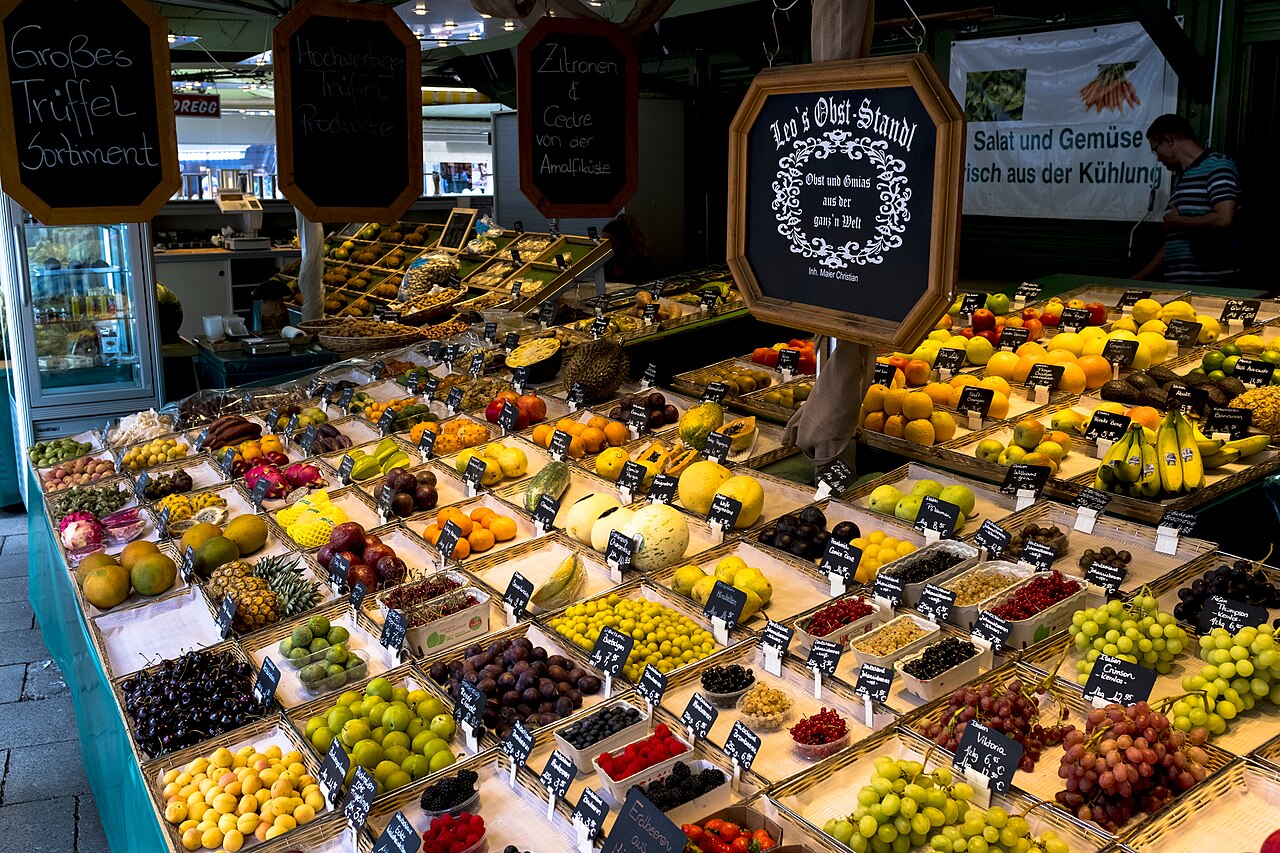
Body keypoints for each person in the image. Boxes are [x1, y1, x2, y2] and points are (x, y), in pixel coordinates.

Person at [1133, 113, 1243, 286]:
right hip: (1182, 286)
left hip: (1212, 286)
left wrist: (1179, 221)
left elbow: (1223, 218)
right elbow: (1175, 240)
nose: (1158, 158)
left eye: (1156, 149)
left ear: (1169, 140)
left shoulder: (1217, 166)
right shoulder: (1183, 178)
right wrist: (1139, 278)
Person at [601, 214, 656, 283]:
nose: (606, 249)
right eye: (602, 244)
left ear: (623, 243)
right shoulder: (607, 265)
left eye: (610, 244)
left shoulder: (642, 267)